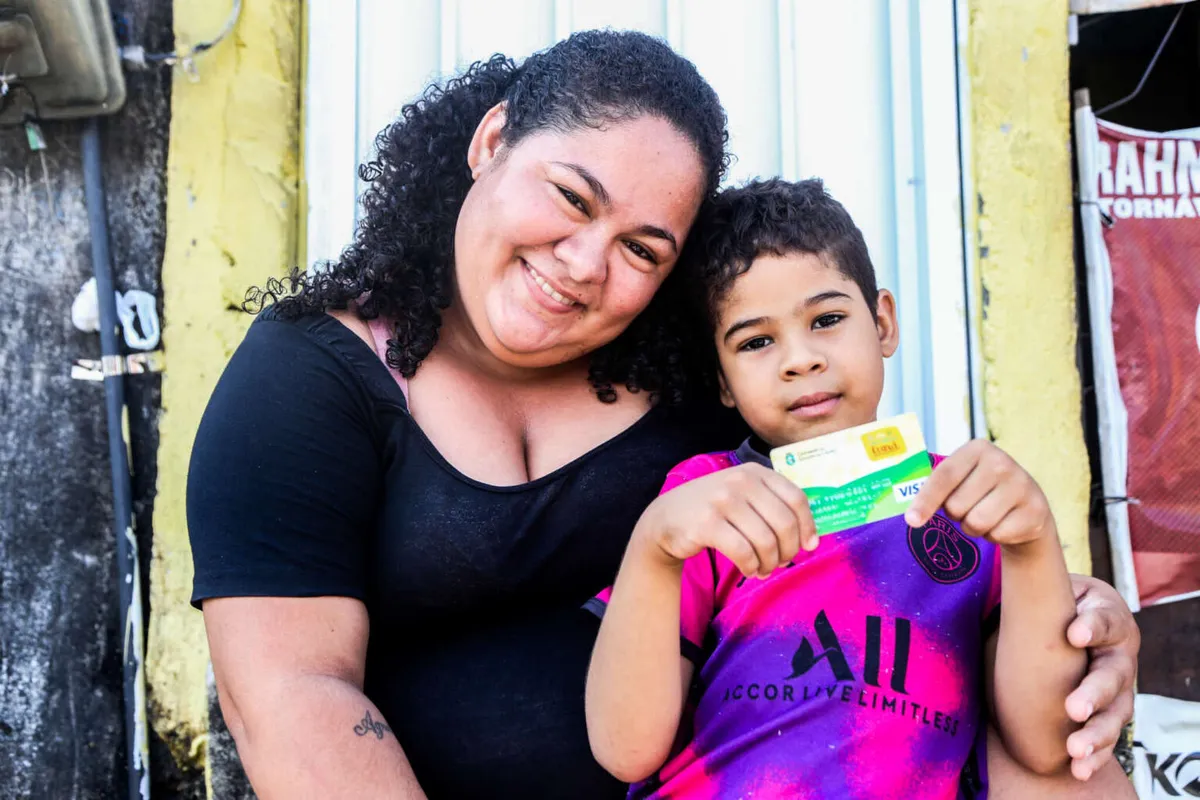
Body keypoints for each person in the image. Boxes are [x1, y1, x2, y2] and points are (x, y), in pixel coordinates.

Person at [188, 30, 1139, 799]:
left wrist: (1080, 620)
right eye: (569, 196)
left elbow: (887, 555)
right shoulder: (312, 377)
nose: (585, 262)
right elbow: (292, 695)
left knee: (1075, 781)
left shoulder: (702, 379)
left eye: (643, 249)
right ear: (491, 145)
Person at [585, 178, 1110, 798]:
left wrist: (1033, 543)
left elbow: (1049, 746)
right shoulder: (709, 502)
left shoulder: (968, 502)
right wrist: (655, 546)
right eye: (756, 342)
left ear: (883, 322)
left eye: (827, 319)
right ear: (721, 381)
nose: (800, 359)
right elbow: (625, 750)